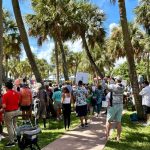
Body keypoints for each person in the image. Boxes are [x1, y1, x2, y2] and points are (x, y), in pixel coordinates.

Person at [106, 76, 125, 141]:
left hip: (113, 105)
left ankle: (107, 137)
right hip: (120, 105)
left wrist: (108, 81)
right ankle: (118, 137)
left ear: (116, 80)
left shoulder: (113, 86)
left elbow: (107, 87)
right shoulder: (123, 87)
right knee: (119, 122)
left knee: (109, 121)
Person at [1, 82, 20, 147]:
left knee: (9, 126)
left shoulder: (5, 95)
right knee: (15, 124)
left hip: (9, 112)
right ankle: (17, 139)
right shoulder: (17, 93)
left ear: (6, 87)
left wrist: (2, 110)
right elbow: (18, 102)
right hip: (17, 111)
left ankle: (12, 142)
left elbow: (4, 106)